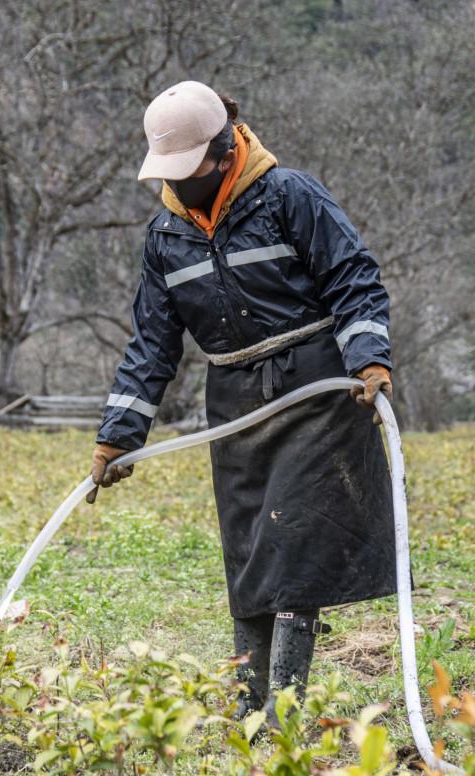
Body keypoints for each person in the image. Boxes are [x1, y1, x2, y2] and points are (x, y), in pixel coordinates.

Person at [86, 80, 409, 730]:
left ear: (226, 146)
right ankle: (246, 706)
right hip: (235, 401)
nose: (181, 185)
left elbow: (353, 276)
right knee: (251, 549)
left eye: (191, 170)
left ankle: (282, 714)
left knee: (294, 548)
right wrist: (118, 435)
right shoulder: (165, 236)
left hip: (315, 389)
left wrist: (369, 359)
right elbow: (152, 343)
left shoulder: (287, 195)